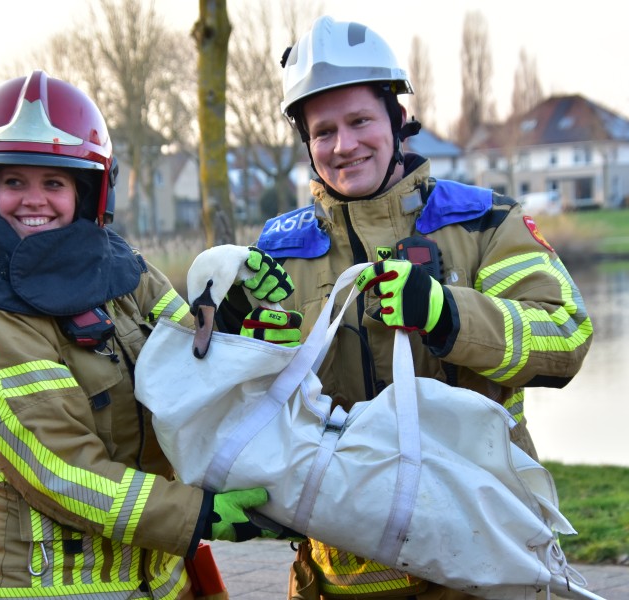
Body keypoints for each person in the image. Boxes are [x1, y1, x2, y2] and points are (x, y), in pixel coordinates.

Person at [236, 16, 594, 600]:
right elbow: (247, 415)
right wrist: (253, 360)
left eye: (359, 121)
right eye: (323, 131)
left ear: (397, 120)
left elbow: (564, 339)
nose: (344, 145)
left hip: (487, 560)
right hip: (341, 575)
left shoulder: (484, 223)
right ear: (306, 142)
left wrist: (449, 315)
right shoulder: (273, 255)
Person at [0, 70, 294, 600]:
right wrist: (197, 515)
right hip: (49, 586)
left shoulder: (125, 272)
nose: (34, 200)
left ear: (87, 192)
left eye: (53, 183)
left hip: (157, 578)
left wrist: (236, 314)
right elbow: (59, 469)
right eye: (15, 182)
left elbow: (191, 361)